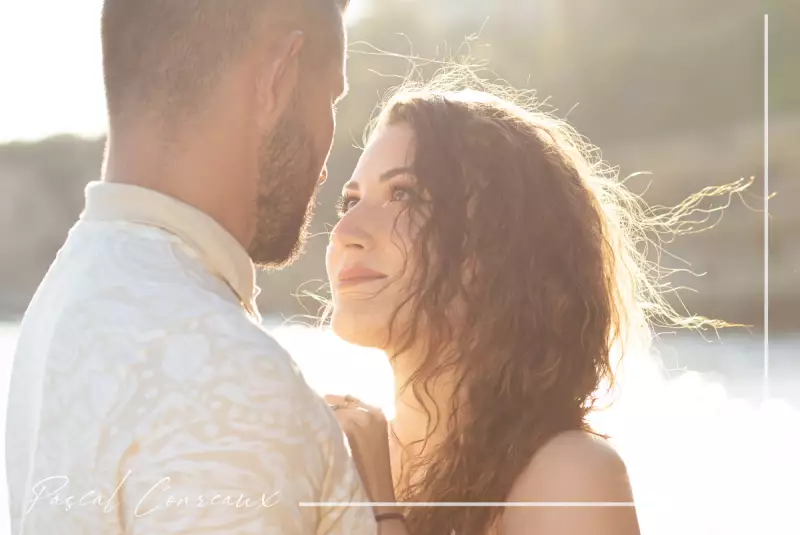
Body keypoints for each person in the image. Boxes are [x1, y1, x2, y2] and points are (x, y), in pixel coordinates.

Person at [5, 1, 380, 534]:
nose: (328, 144)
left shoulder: (71, 295)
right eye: (332, 96)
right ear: (278, 77)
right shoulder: (229, 378)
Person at [323, 76, 747, 535]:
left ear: (498, 245)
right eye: (350, 201)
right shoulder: (341, 457)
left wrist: (380, 512)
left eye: (402, 194)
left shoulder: (570, 479)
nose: (345, 233)